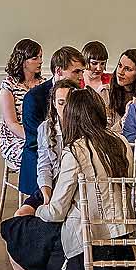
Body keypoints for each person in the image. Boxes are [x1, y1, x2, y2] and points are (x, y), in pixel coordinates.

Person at [0, 87, 131, 270]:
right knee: (32, 235)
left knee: (15, 235)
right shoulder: (122, 144)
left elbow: (57, 211)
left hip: (86, 250)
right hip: (122, 247)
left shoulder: (76, 151)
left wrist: (34, 212)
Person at [20, 47, 84, 204]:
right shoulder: (34, 98)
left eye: (82, 72)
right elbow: (34, 140)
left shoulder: (80, 94)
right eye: (76, 72)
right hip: (41, 158)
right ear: (59, 71)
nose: (81, 76)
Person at [0, 38, 43, 173]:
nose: (40, 61)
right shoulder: (8, 86)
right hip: (15, 139)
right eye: (35, 58)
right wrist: (33, 138)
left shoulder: (43, 84)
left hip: (41, 135)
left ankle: (50, 193)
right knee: (37, 157)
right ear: (23, 61)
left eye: (41, 57)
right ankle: (37, 193)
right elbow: (12, 123)